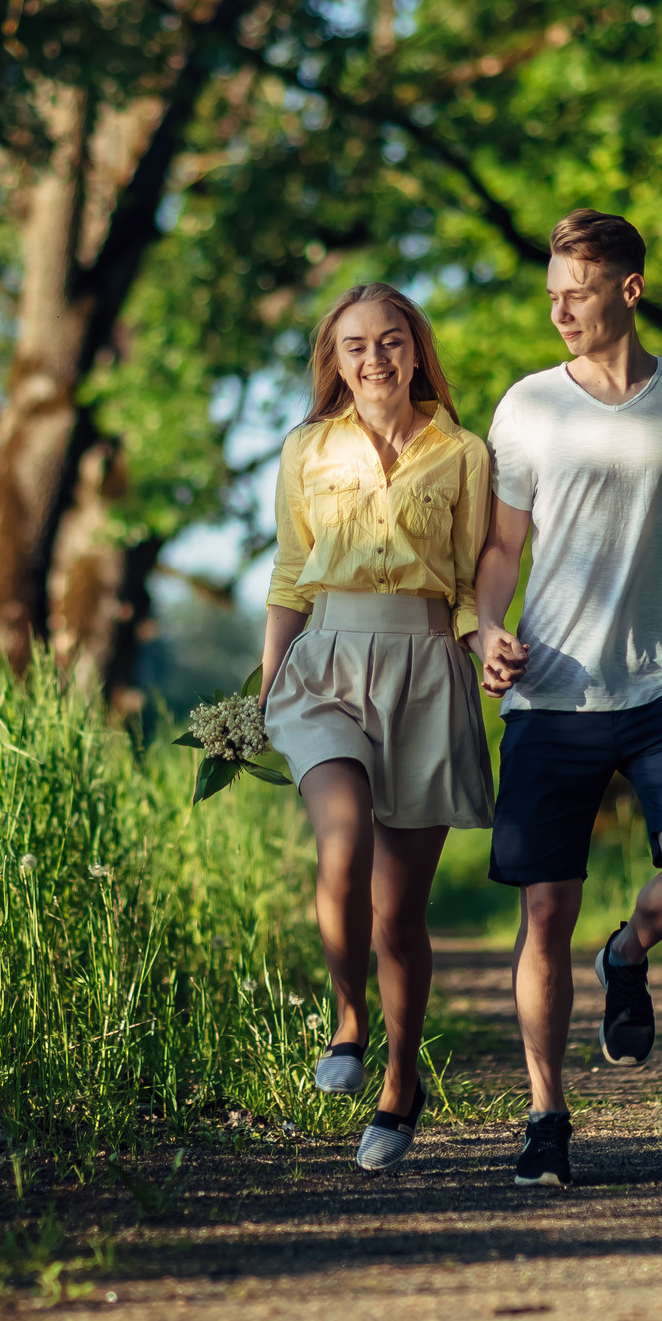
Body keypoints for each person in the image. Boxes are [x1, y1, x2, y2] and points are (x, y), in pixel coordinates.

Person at [470, 210, 662, 1189]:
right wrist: (485, 627)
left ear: (628, 290)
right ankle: (544, 1116)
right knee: (543, 911)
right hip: (550, 689)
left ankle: (630, 948)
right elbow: (500, 546)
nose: (559, 306)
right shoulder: (523, 406)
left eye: (578, 289)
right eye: (552, 290)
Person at [260, 282, 495, 1173]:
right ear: (336, 359)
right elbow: (290, 573)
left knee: (399, 913)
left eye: (390, 341)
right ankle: (347, 1017)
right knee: (342, 837)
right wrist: (269, 683)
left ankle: (402, 1081)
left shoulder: (465, 453)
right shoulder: (306, 448)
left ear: (416, 349)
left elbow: (474, 583)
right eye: (355, 345)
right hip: (324, 667)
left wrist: (491, 650)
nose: (374, 358)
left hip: (427, 669)